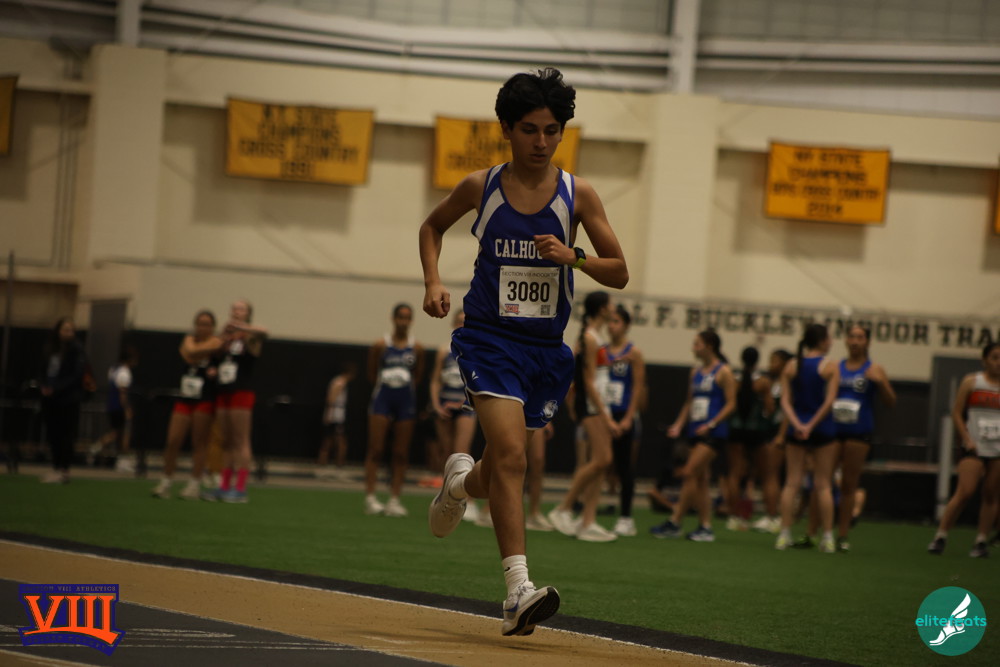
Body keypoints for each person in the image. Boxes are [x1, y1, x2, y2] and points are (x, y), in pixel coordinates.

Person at [420, 67, 628, 637]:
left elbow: (619, 272)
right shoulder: (481, 187)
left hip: (545, 350)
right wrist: (433, 282)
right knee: (513, 456)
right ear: (507, 129)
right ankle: (517, 591)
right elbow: (431, 227)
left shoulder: (578, 194)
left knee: (501, 465)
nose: (541, 141)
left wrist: (573, 257)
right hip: (488, 338)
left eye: (552, 131)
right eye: (530, 129)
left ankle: (459, 485)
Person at [547, 291, 619, 543]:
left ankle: (588, 520)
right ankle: (564, 507)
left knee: (602, 461)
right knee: (602, 458)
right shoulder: (589, 337)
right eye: (611, 304)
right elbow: (587, 381)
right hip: (591, 404)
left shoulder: (597, 336)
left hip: (600, 403)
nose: (614, 308)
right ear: (602, 309)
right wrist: (604, 414)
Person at [650, 330, 736, 542]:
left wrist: (712, 423)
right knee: (702, 479)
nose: (693, 348)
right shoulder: (695, 372)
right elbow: (689, 402)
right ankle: (705, 526)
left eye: (697, 344)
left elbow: (731, 404)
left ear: (709, 345)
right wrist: (678, 425)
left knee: (689, 473)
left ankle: (675, 521)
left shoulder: (723, 372)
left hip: (713, 433)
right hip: (695, 430)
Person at [928, 342, 1000, 558]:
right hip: (974, 445)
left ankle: (981, 541)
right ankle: (941, 535)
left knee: (991, 493)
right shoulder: (972, 382)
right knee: (965, 491)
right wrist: (967, 438)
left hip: (997, 448)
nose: (998, 363)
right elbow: (957, 413)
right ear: (985, 360)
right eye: (995, 357)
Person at [774, 323, 840, 553]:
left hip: (797, 428)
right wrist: (811, 425)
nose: (831, 342)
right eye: (829, 338)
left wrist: (798, 424)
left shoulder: (791, 365)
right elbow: (829, 401)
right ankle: (828, 538)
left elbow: (785, 402)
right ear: (822, 341)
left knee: (791, 482)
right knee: (823, 485)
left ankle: (784, 534)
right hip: (823, 428)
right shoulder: (829, 366)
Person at [830, 325, 896, 550]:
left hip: (859, 433)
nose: (855, 341)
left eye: (860, 337)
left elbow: (890, 401)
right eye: (852, 337)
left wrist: (880, 382)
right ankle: (821, 532)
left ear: (867, 342)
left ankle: (843, 535)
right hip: (833, 431)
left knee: (849, 485)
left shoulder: (874, 369)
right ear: (846, 340)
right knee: (824, 482)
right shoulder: (836, 367)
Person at [364, 303, 425, 517]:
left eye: (407, 318)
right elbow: (372, 373)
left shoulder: (417, 348)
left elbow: (418, 376)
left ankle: (394, 499)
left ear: (411, 321)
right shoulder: (380, 345)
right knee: (376, 449)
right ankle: (370, 497)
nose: (403, 322)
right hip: (382, 399)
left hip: (405, 401)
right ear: (393, 318)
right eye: (400, 317)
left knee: (400, 453)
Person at [154, 310, 222, 499]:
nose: (202, 327)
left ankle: (194, 484)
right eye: (199, 323)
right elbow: (189, 352)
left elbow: (200, 350)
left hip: (204, 399)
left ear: (213, 327)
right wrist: (200, 350)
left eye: (207, 324)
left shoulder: (217, 344)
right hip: (185, 398)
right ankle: (166, 481)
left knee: (199, 442)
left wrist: (198, 351)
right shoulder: (189, 340)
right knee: (173, 440)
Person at [204, 299, 268, 503]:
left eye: (241, 309)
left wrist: (240, 327)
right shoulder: (227, 338)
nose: (236, 311)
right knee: (226, 440)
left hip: (242, 392)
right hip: (224, 390)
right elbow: (213, 354)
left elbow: (264, 332)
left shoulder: (250, 336)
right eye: (234, 308)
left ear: (248, 313)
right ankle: (224, 486)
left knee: (241, 440)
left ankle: (240, 488)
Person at [429, 310, 481, 518]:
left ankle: (468, 500)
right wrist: (436, 405)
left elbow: (478, 381)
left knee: (462, 453)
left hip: (466, 406)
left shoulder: (476, 351)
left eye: (464, 322)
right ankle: (447, 499)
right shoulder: (444, 351)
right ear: (452, 324)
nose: (461, 325)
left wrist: (466, 401)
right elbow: (435, 380)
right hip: (445, 405)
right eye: (458, 321)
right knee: (447, 453)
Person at [604, 305, 645, 536]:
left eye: (616, 321)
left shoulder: (634, 353)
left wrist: (629, 417)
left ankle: (626, 517)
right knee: (599, 462)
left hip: (623, 415)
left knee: (624, 466)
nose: (611, 326)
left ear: (626, 325)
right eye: (609, 321)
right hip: (605, 414)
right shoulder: (602, 351)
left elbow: (638, 387)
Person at [723, 346, 770, 531]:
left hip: (736, 429)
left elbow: (729, 403)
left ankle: (734, 516)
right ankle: (771, 516)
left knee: (735, 473)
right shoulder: (763, 382)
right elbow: (769, 408)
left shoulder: (734, 379)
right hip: (755, 430)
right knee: (766, 474)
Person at [39, 317, 89, 484]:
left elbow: (77, 375)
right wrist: (44, 386)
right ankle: (55, 467)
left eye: (71, 330)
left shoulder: (77, 350)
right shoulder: (50, 349)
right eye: (65, 329)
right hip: (50, 399)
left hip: (69, 399)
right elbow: (43, 371)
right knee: (53, 434)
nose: (69, 333)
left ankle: (64, 469)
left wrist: (57, 388)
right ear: (58, 331)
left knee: (67, 434)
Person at [750, 349, 792, 534]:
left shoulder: (787, 384)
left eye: (775, 360)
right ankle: (770, 514)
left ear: (785, 364)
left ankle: (774, 516)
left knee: (772, 474)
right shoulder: (770, 382)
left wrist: (781, 435)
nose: (770, 364)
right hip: (765, 431)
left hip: (777, 434)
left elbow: (787, 413)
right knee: (766, 475)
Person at [92, 346, 138, 472]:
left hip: (111, 406)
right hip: (118, 407)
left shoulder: (113, 369)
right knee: (123, 434)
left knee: (117, 433)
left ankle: (120, 459)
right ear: (129, 359)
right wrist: (127, 408)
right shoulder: (125, 372)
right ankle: (99, 447)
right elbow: (122, 393)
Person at [317, 363, 356, 480]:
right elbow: (331, 398)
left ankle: (323, 469)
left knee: (329, 442)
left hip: (335, 416)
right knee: (339, 444)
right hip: (336, 417)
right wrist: (329, 415)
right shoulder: (340, 382)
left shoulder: (337, 381)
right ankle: (337, 469)